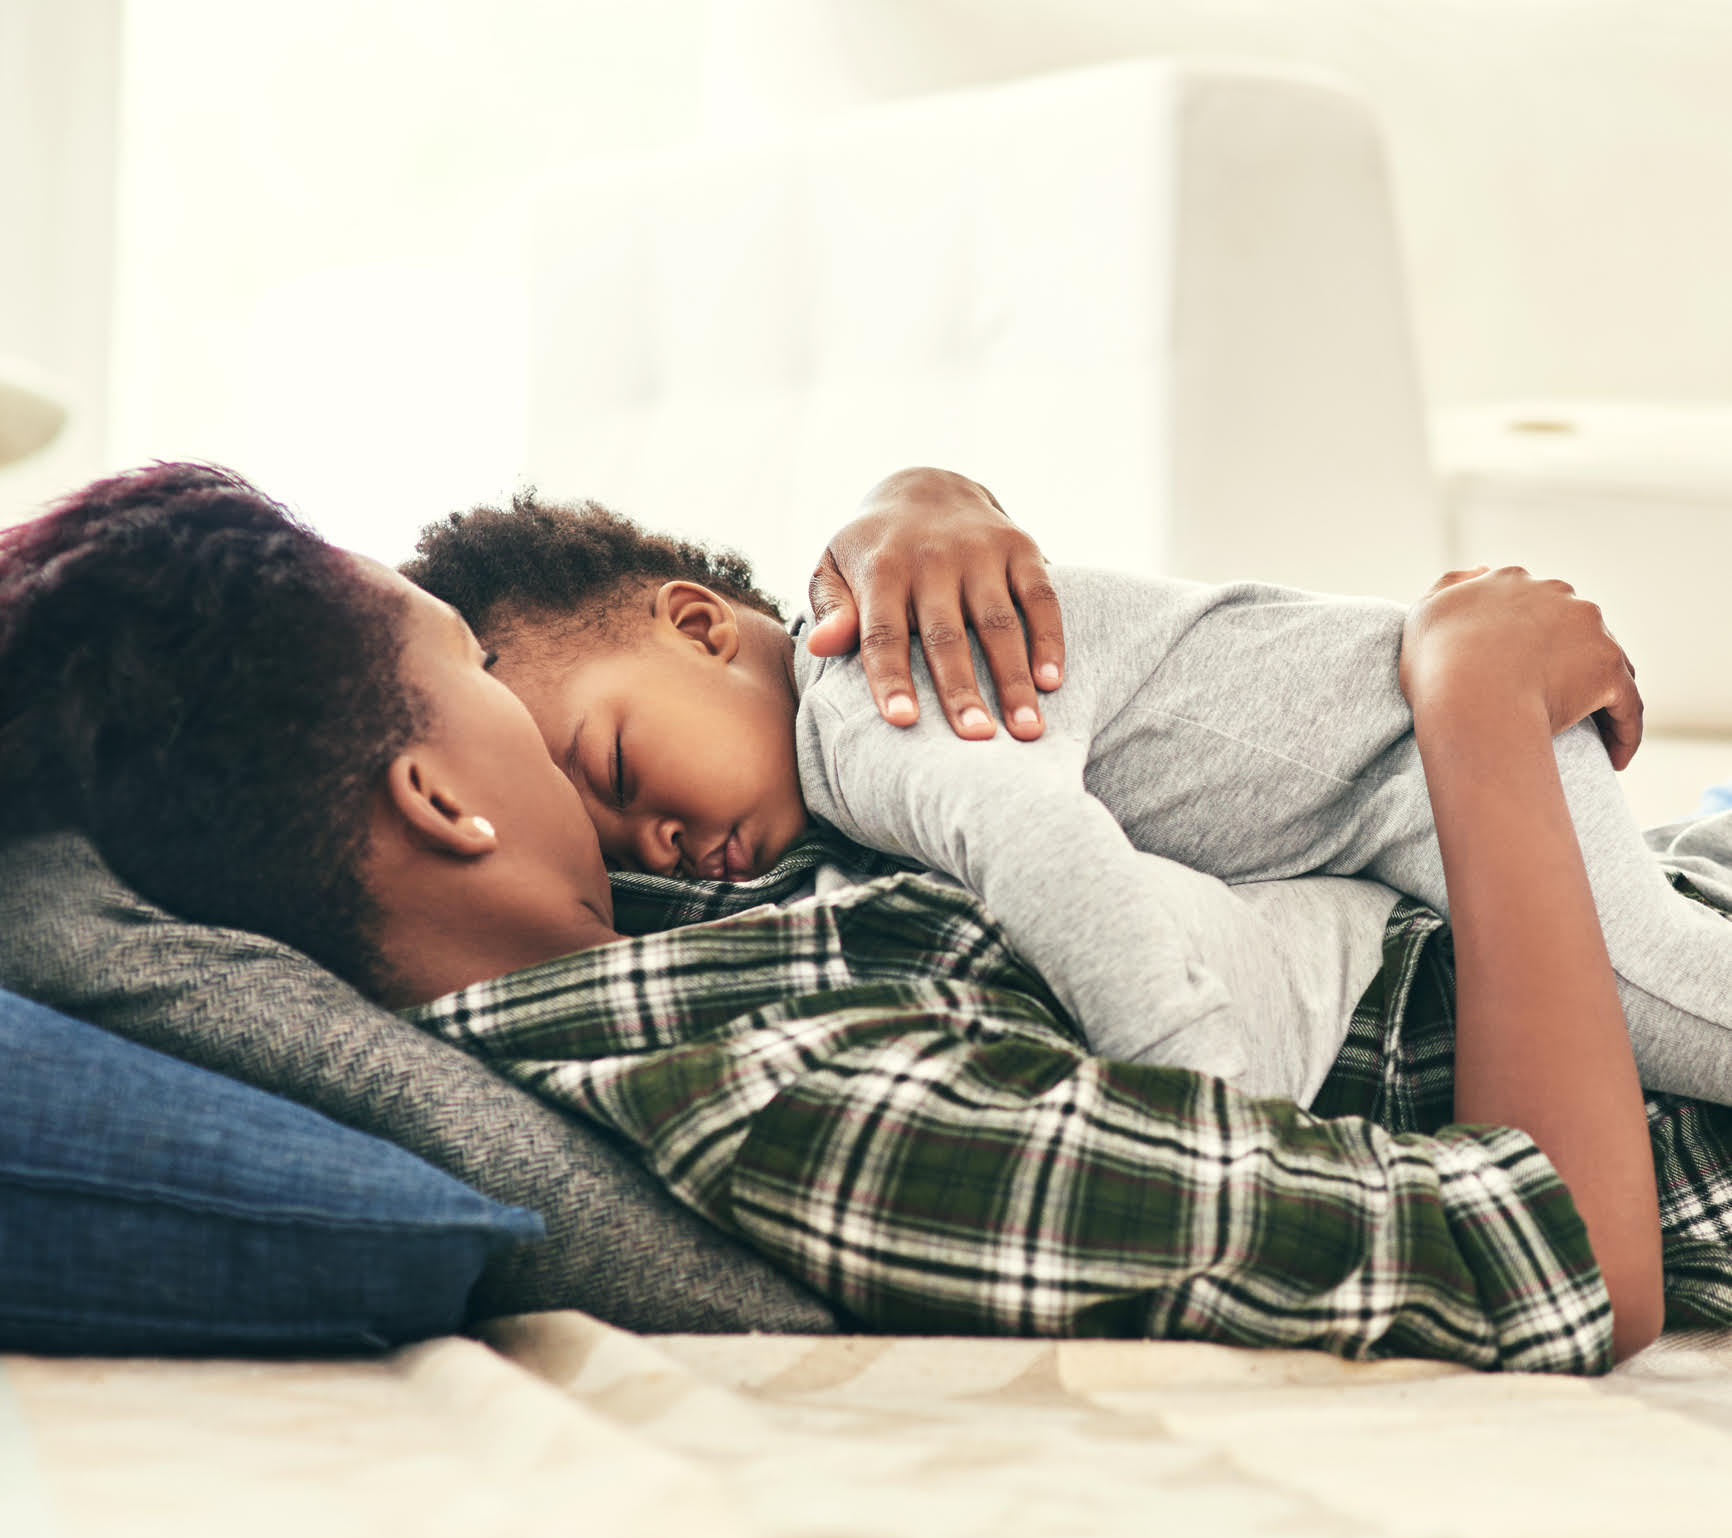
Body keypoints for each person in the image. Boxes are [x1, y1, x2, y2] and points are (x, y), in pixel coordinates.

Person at [0, 461, 1688, 1368]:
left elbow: (744, 668)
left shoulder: (653, 899)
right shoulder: (776, 1097)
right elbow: (1547, 1260)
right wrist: (1475, 714)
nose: (600, 784)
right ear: (440, 797)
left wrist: (910, 512)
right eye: (472, 679)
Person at [403, 485, 1732, 1113]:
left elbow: (1046, 846)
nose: (669, 849)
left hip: (1433, 757)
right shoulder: (835, 738)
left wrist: (1201, 1090)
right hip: (1393, 800)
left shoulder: (870, 710)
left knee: (1677, 1009)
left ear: (697, 625)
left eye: (626, 774)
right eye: (626, 843)